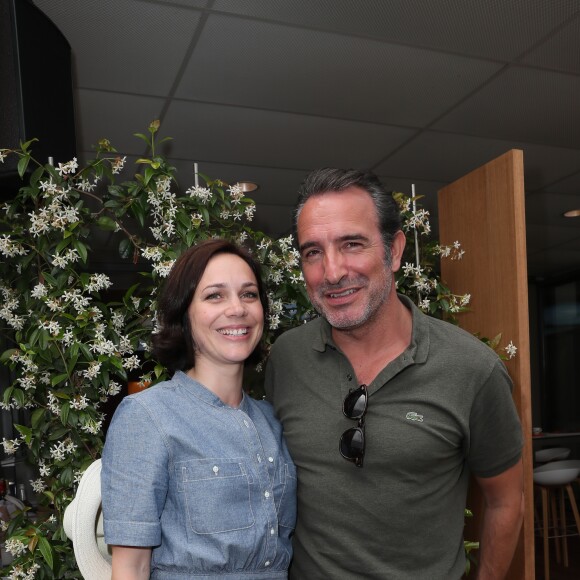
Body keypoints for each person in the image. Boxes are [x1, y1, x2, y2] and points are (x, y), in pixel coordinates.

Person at [264, 168, 524, 580]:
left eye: (351, 244)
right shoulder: (287, 358)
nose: (331, 273)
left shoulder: (473, 370)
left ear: (396, 250)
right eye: (313, 252)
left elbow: (506, 501)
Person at [101, 239, 297, 579]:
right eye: (214, 295)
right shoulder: (147, 416)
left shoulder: (270, 420)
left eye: (249, 294)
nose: (237, 308)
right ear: (184, 314)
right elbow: (131, 567)